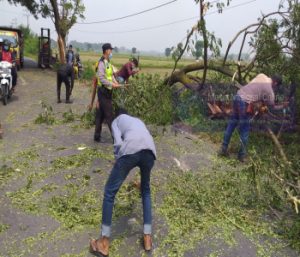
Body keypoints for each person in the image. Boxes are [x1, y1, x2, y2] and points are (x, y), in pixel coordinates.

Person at [89, 108, 157, 256]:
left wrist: (117, 159)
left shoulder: (116, 121)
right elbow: (145, 139)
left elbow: (118, 142)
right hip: (150, 151)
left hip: (131, 149)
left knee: (109, 192)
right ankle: (147, 237)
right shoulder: (138, 121)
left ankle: (104, 242)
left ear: (118, 115)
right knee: (146, 191)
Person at [219, 73, 287, 162]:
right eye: (276, 85)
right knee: (244, 130)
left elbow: (254, 89)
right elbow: (272, 107)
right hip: (244, 102)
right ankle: (241, 156)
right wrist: (283, 106)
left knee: (231, 124)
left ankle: (223, 149)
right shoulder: (269, 90)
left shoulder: (262, 75)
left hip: (237, 96)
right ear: (275, 83)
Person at [94, 43, 120, 142]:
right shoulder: (101, 63)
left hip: (108, 91)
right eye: (110, 50)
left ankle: (97, 136)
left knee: (100, 114)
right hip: (103, 92)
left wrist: (115, 82)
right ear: (106, 51)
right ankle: (116, 138)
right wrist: (111, 84)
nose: (111, 52)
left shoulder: (108, 62)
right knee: (110, 115)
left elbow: (111, 75)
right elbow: (101, 77)